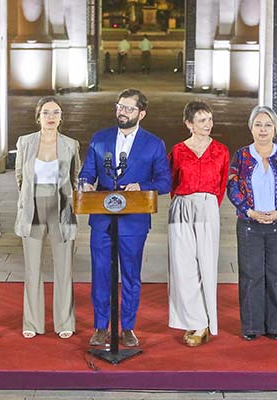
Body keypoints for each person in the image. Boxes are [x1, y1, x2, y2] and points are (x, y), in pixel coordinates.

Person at [79, 88, 172, 347]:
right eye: (119, 107)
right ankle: (101, 326)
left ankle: (128, 327)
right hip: (102, 220)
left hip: (134, 221)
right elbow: (87, 173)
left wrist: (141, 186)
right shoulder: (100, 139)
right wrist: (85, 184)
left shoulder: (154, 144)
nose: (122, 112)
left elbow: (165, 182)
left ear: (142, 113)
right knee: (100, 273)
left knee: (130, 274)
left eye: (129, 108)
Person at [227, 105, 277, 342]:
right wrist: (249, 211)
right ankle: (251, 326)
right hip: (250, 224)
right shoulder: (241, 155)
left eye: (267, 125)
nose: (262, 130)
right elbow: (232, 186)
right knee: (251, 275)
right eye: (258, 125)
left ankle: (275, 325)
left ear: (275, 129)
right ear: (251, 128)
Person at [14, 97, 80, 340]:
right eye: (46, 112)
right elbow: (20, 176)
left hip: (62, 208)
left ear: (61, 117)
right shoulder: (25, 142)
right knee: (32, 268)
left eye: (56, 112)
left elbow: (75, 177)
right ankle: (32, 321)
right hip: (32, 207)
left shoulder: (71, 144)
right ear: (38, 116)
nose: (51, 117)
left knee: (64, 267)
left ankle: (64, 321)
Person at [168, 101, 229, 347]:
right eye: (202, 120)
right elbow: (171, 180)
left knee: (206, 263)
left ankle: (206, 320)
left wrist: (208, 204)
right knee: (183, 267)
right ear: (189, 124)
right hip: (182, 205)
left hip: (207, 205)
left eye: (210, 120)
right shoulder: (178, 150)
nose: (208, 125)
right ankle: (195, 321)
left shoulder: (221, 150)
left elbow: (222, 183)